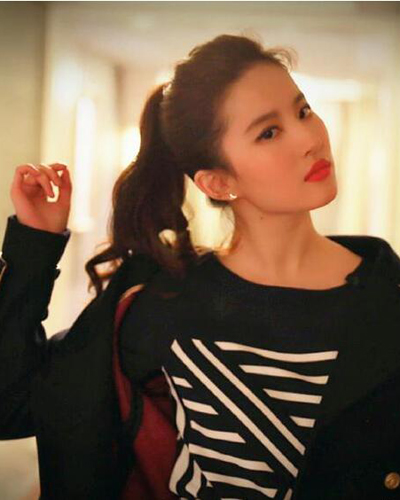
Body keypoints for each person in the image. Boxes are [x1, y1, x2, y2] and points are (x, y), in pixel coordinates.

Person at [1, 33, 400, 500]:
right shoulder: (163, 302)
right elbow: (12, 403)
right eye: (269, 132)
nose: (310, 138)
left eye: (303, 111)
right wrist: (35, 243)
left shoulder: (387, 297)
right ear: (217, 182)